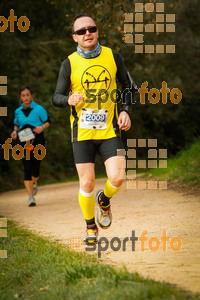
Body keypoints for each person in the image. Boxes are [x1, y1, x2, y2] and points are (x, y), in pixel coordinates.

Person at [53, 14, 135, 244]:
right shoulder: (68, 63)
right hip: (83, 132)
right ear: (74, 37)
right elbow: (56, 96)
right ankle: (90, 227)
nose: (87, 33)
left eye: (91, 28)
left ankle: (105, 199)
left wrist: (125, 110)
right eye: (81, 31)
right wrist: (68, 99)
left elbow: (128, 86)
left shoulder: (112, 55)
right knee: (86, 182)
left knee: (118, 178)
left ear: (97, 31)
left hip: (109, 130)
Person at [11, 86, 50, 206]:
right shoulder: (17, 111)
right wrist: (14, 131)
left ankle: (35, 180)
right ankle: (30, 197)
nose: (26, 97)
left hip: (38, 140)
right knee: (27, 167)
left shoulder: (39, 109)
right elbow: (16, 124)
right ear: (20, 97)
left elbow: (48, 122)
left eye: (27, 95)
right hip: (24, 141)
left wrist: (41, 127)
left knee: (36, 169)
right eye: (23, 95)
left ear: (31, 95)